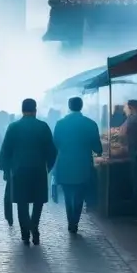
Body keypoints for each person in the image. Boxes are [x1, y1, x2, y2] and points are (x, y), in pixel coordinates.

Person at [0, 98, 57, 244]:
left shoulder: (13, 127)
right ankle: (34, 226)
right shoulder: (43, 127)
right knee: (38, 201)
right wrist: (48, 167)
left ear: (22, 110)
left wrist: (5, 169)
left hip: (19, 171)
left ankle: (25, 232)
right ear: (35, 110)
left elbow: (6, 150)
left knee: (21, 202)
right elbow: (52, 151)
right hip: (38, 170)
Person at [53, 97, 102, 234]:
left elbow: (55, 144)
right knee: (80, 195)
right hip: (83, 165)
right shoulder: (90, 124)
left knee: (68, 195)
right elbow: (97, 148)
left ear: (69, 106)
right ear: (81, 106)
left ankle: (71, 222)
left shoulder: (60, 123)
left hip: (65, 165)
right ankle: (75, 221)